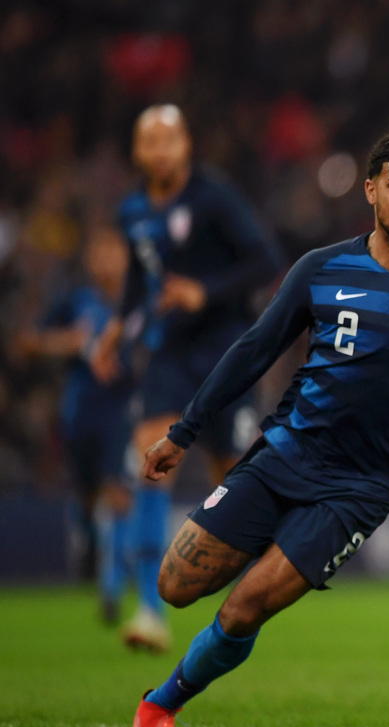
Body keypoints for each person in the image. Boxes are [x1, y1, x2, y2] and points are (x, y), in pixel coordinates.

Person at [129, 131, 389, 727]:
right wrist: (185, 432)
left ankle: (160, 705)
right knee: (174, 588)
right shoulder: (322, 269)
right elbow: (254, 351)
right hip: (283, 453)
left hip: (358, 489)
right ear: (371, 190)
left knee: (243, 607)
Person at [91, 104, 286, 652]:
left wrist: (206, 291)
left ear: (186, 146)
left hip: (229, 352)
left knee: (234, 480)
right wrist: (115, 331)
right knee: (150, 459)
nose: (159, 150)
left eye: (168, 139)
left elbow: (265, 259)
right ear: (137, 152)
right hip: (171, 353)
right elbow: (137, 284)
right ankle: (149, 610)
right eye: (148, 141)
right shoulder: (133, 211)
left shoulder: (213, 197)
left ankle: (242, 605)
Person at [16, 224, 136, 624]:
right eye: (99, 251)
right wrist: (66, 341)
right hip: (80, 413)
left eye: (113, 250)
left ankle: (112, 589)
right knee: (87, 500)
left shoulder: (137, 302)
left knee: (117, 493)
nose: (106, 259)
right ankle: (91, 552)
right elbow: (28, 342)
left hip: (122, 409)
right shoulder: (75, 301)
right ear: (89, 259)